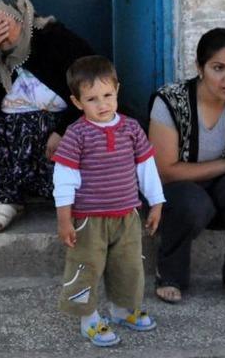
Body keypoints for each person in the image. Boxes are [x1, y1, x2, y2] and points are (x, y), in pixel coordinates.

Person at [0, 0, 95, 233]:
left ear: (24, 19)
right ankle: (7, 199)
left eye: (5, 26)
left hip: (55, 150)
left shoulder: (57, 42)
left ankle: (68, 199)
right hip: (13, 153)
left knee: (37, 120)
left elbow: (92, 89)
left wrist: (64, 130)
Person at [149, 28, 225, 305]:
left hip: (222, 193)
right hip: (178, 194)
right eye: (218, 68)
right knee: (191, 201)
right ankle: (170, 273)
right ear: (200, 68)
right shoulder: (170, 100)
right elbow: (166, 171)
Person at [52, 56, 165, 347]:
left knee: (129, 267)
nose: (102, 104)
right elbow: (64, 178)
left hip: (127, 215)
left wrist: (156, 202)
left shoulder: (131, 128)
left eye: (108, 95)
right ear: (77, 102)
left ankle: (122, 310)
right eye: (92, 99)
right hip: (89, 219)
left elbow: (146, 167)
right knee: (85, 267)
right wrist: (65, 219)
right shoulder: (77, 135)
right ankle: (88, 319)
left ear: (117, 90)